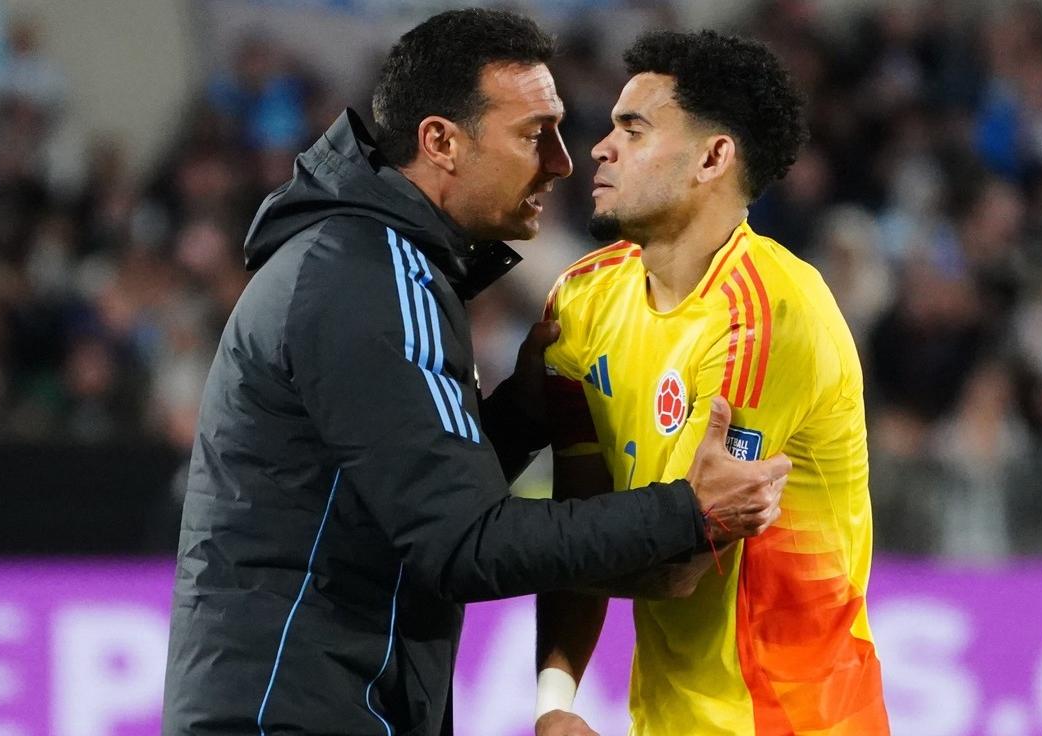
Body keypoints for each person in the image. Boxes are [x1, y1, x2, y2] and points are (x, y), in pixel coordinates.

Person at [162, 11, 792, 736]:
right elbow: (461, 543)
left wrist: (524, 412)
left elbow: (398, 493)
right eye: (534, 134)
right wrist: (686, 509)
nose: (562, 161)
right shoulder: (370, 279)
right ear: (441, 143)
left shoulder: (363, 263)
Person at [534, 31, 889, 735]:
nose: (599, 148)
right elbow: (583, 514)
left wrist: (475, 547)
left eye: (632, 129)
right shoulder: (582, 302)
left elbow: (673, 565)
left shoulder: (771, 314)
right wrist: (554, 700)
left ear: (713, 157)